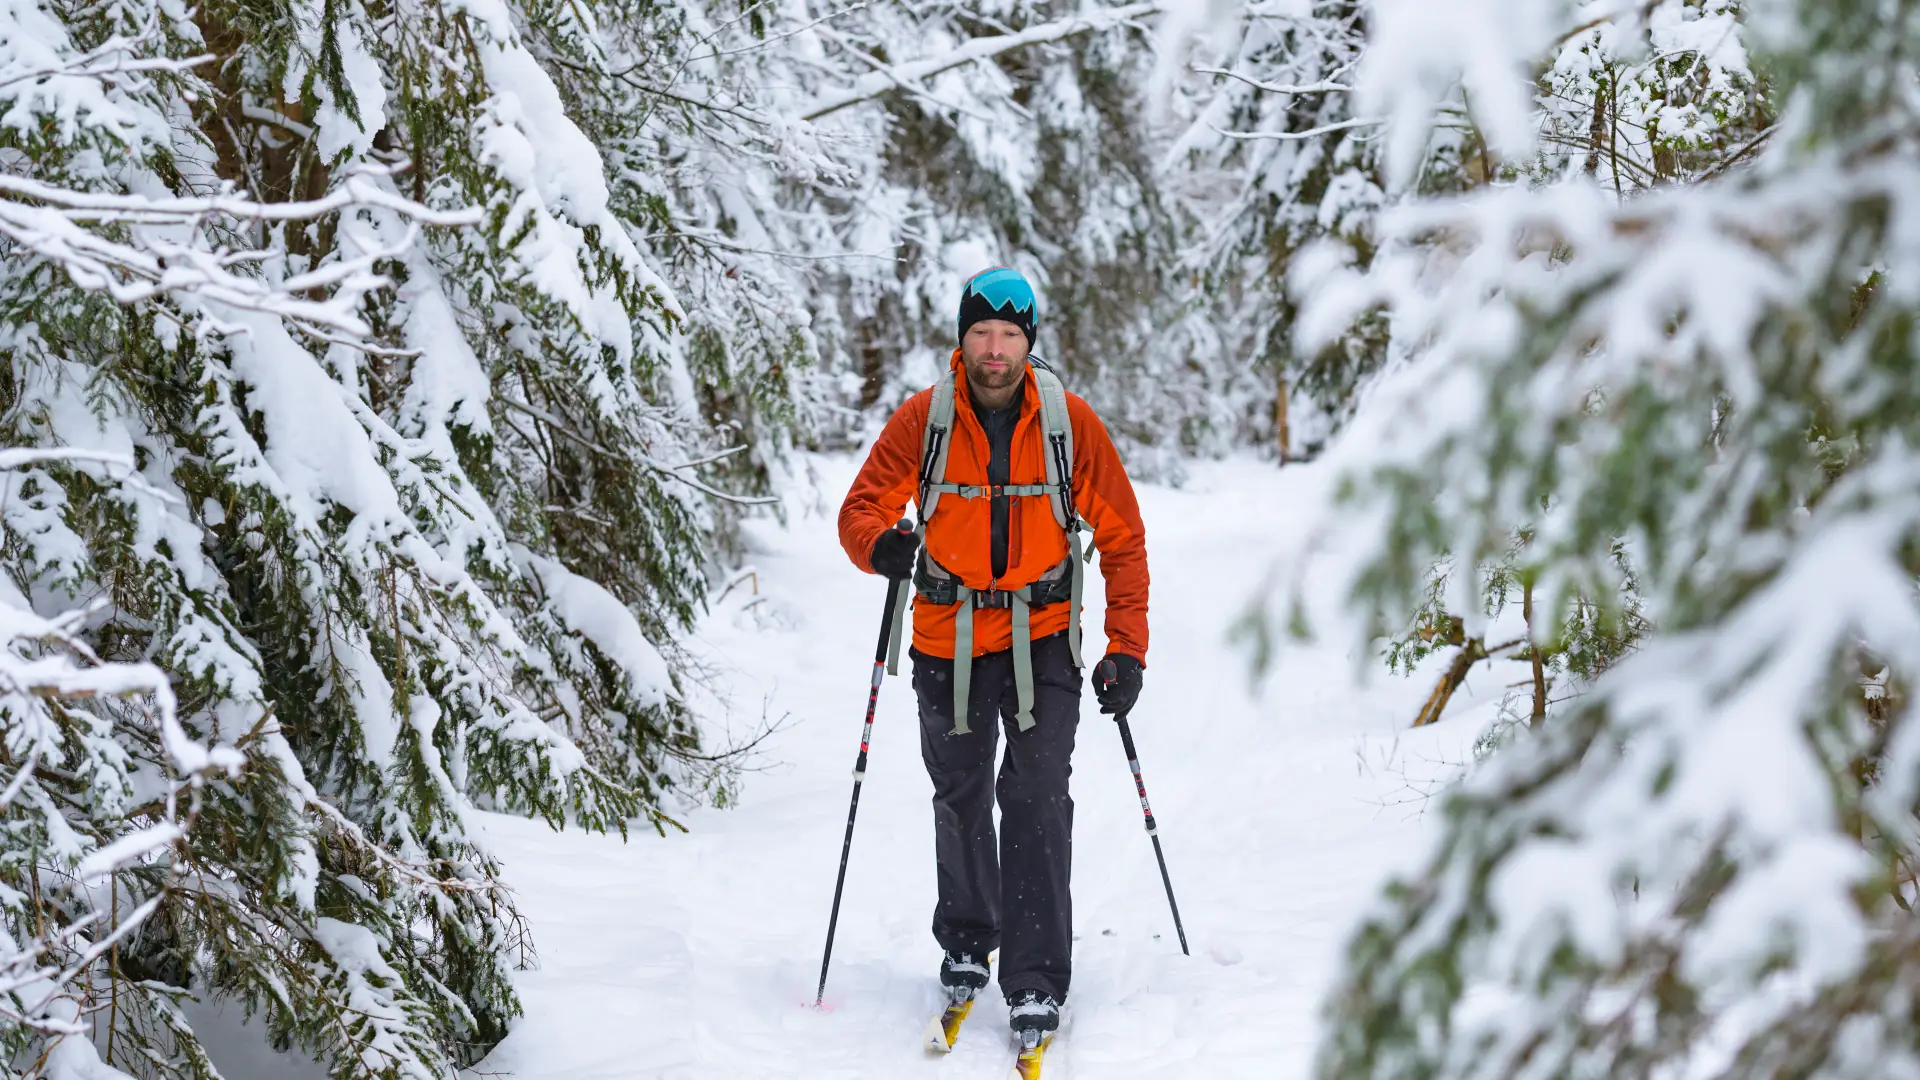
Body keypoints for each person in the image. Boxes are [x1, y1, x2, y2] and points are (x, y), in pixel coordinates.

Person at [837, 266, 1150, 1041]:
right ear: (962, 339)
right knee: (962, 793)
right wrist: (881, 545)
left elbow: (1123, 539)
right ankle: (969, 940)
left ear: (1030, 342)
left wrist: (1126, 649)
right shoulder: (925, 420)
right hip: (947, 637)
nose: (996, 350)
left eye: (1010, 335)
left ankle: (1037, 977)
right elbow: (861, 506)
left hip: (1043, 639)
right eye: (982, 333)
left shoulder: (1071, 424)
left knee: (1039, 796)